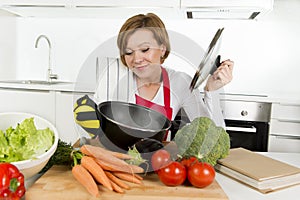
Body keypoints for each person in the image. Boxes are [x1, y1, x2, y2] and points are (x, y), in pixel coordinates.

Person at [92, 13, 233, 140]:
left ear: (162, 48)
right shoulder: (113, 80)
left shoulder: (180, 82)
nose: (137, 59)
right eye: (129, 52)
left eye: (144, 49)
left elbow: (213, 136)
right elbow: (99, 133)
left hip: (159, 162)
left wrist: (212, 90)